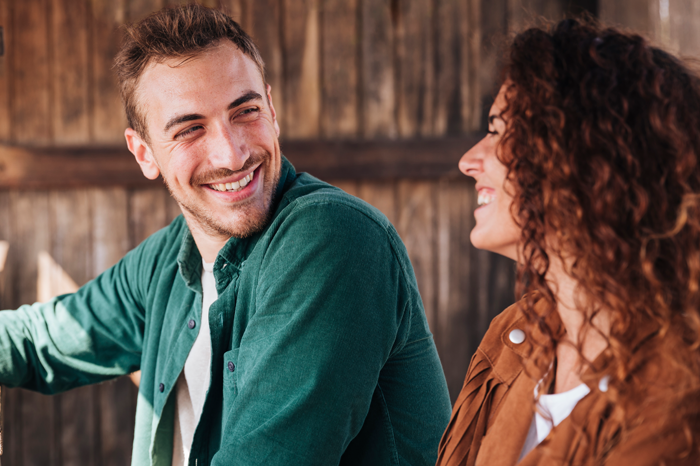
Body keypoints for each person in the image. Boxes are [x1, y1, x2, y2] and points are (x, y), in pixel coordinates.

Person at [0, 5, 452, 465]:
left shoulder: (331, 239)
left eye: (246, 111)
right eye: (190, 128)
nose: (232, 154)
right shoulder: (168, 261)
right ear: (144, 153)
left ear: (272, 111)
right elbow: (43, 340)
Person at [437, 18, 700, 466]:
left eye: (499, 130)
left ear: (587, 158)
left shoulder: (677, 392)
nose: (468, 161)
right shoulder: (514, 334)